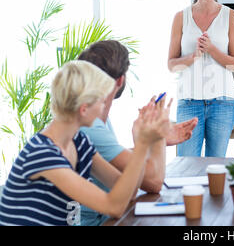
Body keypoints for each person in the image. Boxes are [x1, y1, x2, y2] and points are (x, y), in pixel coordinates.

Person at [0, 61, 171, 226]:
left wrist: (141, 137)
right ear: (83, 109)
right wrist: (142, 144)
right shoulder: (43, 154)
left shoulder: (79, 142)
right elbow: (114, 207)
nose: (104, 107)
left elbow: (129, 192)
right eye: (101, 101)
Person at [77, 40, 198, 226]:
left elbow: (120, 167)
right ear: (120, 80)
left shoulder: (97, 120)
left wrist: (153, 140)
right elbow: (153, 182)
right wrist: (154, 137)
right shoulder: (90, 125)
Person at [167, 0, 234, 157]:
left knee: (215, 166)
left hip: (222, 103)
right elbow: (171, 65)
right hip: (189, 102)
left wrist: (212, 49)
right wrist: (193, 56)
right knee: (186, 164)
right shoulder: (180, 17)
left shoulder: (230, 16)